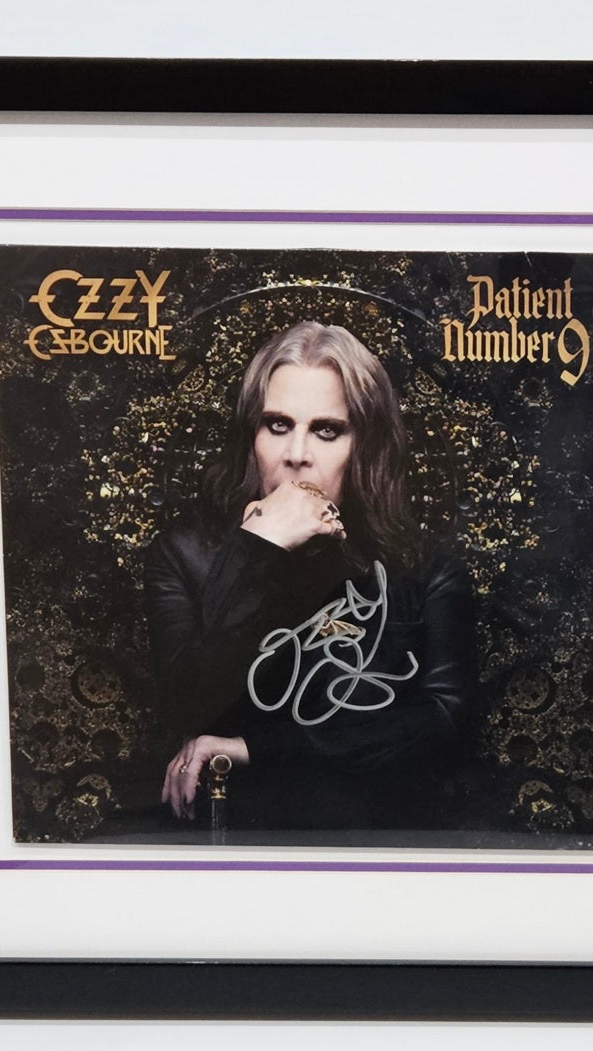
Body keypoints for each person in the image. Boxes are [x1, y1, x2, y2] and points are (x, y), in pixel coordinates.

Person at [144, 321, 476, 832]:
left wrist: (256, 748)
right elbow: (188, 705)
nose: (297, 453)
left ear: (365, 445)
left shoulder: (426, 568)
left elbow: (445, 723)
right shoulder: (183, 556)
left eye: (327, 430)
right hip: (233, 836)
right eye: (277, 425)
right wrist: (258, 550)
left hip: (378, 837)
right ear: (251, 437)